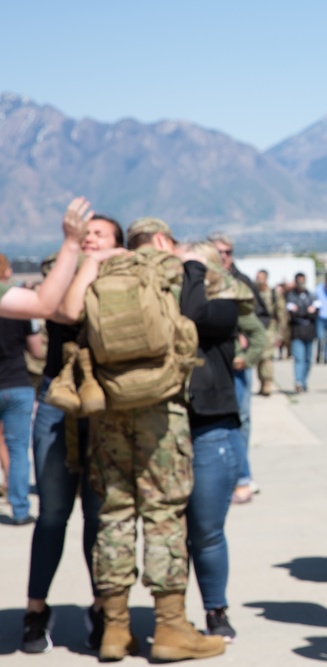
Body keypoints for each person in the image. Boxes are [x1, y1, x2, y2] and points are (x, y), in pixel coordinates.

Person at [63, 217, 226, 661]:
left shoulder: (102, 269)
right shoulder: (165, 268)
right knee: (164, 513)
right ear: (160, 240)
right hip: (161, 408)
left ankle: (115, 629)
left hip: (109, 405)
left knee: (114, 512)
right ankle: (171, 628)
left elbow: (71, 315)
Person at [21, 214, 124, 654]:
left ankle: (103, 608)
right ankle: (35, 610)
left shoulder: (127, 275)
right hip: (59, 404)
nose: (93, 239)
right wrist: (90, 260)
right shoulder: (59, 271)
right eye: (89, 233)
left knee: (100, 518)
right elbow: (67, 310)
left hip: (105, 407)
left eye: (102, 234)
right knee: (52, 514)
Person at [178, 241, 246, 642]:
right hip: (168, 427)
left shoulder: (223, 307)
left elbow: (193, 314)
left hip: (211, 428)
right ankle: (170, 613)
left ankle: (215, 609)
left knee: (204, 529)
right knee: (169, 531)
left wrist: (192, 266)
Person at [208, 233, 266, 506]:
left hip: (237, 365)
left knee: (240, 421)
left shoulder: (242, 283)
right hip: (211, 365)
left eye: (228, 251)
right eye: (219, 251)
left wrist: (247, 349)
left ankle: (242, 476)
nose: (224, 256)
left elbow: (262, 319)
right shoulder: (201, 284)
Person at [0, 252, 45, 526]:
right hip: (17, 384)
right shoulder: (22, 307)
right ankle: (19, 509)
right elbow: (37, 349)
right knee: (18, 449)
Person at [286, 273, 317, 392]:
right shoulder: (291, 296)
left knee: (308, 360)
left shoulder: (311, 295)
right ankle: (298, 381)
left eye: (303, 280)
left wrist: (302, 311)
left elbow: (315, 312)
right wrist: (307, 311)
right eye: (299, 281)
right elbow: (292, 313)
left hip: (309, 332)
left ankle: (304, 382)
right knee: (299, 358)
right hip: (297, 332)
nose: (301, 283)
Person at [255, 269, 279, 396]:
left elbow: (280, 313)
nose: (257, 279)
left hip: (269, 328)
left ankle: (268, 382)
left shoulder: (273, 293)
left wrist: (281, 333)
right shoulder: (253, 293)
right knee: (258, 357)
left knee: (267, 357)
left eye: (260, 277)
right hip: (256, 328)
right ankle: (262, 382)